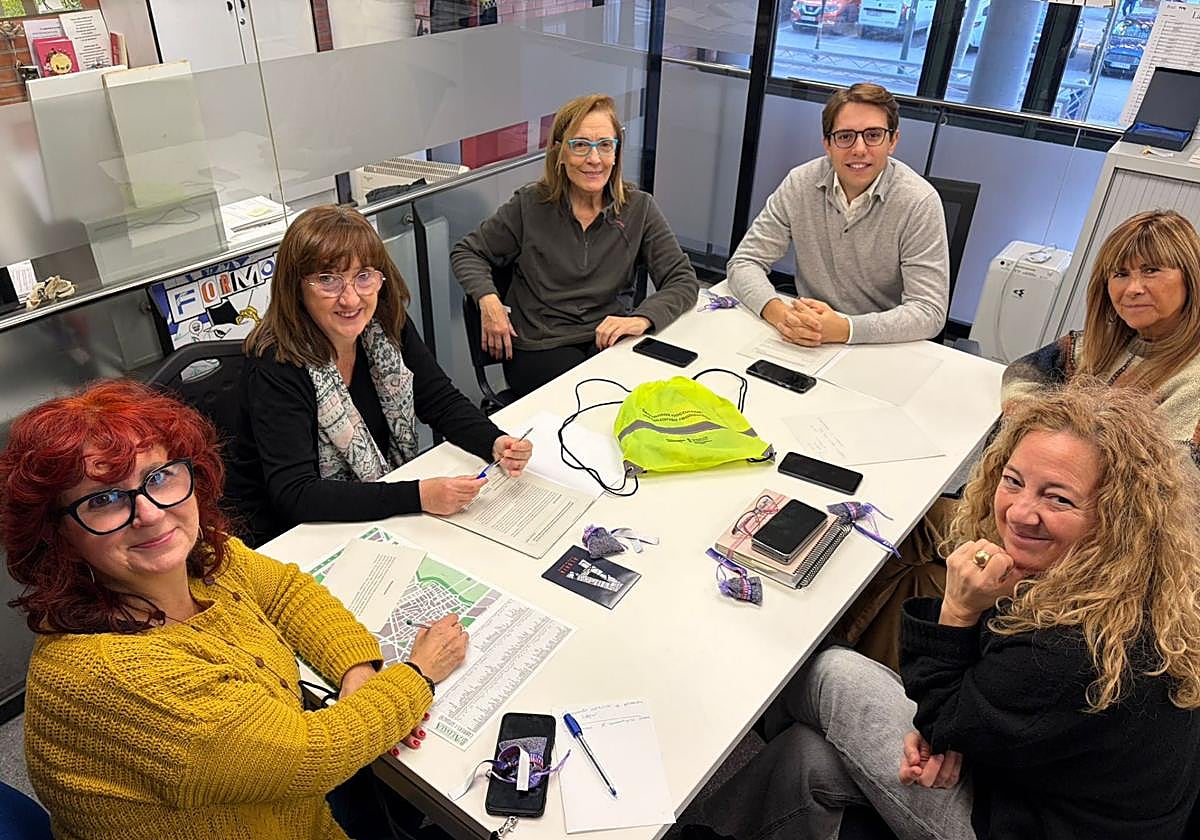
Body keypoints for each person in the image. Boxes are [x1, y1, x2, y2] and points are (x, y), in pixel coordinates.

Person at [692, 381, 1200, 840]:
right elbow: (999, 708)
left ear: (1116, 515)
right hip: (1045, 787)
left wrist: (959, 614)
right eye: (1014, 480)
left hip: (1026, 821)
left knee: (825, 672)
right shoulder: (1127, 583)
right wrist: (957, 734)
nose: (1020, 512)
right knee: (808, 760)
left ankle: (714, 716)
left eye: (1058, 498)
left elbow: (958, 708)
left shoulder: (1072, 651)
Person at [0, 380, 470, 840]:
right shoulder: (111, 676)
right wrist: (417, 674)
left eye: (159, 477)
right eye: (103, 499)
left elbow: (285, 591)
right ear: (57, 534)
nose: (150, 512)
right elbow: (311, 754)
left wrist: (357, 671)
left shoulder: (199, 558)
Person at [836, 208, 1200, 671]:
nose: (1133, 288)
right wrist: (1042, 423)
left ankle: (863, 669)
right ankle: (857, 662)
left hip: (1091, 553)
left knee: (915, 546)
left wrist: (1048, 453)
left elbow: (1149, 511)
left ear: (1190, 276)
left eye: (1152, 271)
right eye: (1120, 273)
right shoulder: (1108, 343)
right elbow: (1023, 372)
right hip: (1044, 510)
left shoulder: (1192, 381)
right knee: (904, 525)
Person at [225, 205, 533, 547]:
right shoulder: (276, 362)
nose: (350, 297)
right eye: (328, 279)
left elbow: (438, 400)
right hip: (291, 536)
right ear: (296, 287)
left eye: (364, 276)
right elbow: (295, 494)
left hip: (367, 508)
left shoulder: (386, 323)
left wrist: (494, 441)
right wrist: (418, 496)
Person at [451, 93, 699, 397]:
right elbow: (468, 252)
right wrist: (488, 300)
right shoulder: (530, 204)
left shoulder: (639, 209)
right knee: (596, 402)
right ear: (560, 152)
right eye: (581, 145)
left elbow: (683, 280)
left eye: (605, 145)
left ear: (616, 153)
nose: (594, 159)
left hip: (608, 338)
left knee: (661, 398)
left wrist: (641, 318)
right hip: (543, 344)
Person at [727, 82, 949, 346]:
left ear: (893, 141)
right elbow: (744, 262)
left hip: (881, 344)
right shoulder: (800, 183)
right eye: (845, 136)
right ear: (827, 144)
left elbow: (929, 311)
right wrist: (781, 315)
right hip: (806, 337)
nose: (859, 149)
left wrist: (845, 328)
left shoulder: (918, 202)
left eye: (873, 135)